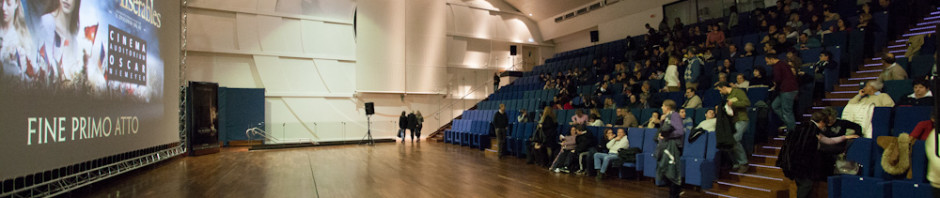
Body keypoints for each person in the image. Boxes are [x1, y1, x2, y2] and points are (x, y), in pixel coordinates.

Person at [717, 82, 751, 173]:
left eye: (720, 90)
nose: (720, 92)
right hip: (733, 122)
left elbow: (747, 102)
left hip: (741, 119)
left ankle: (744, 163)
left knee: (735, 139)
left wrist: (733, 104)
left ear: (724, 87)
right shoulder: (728, 97)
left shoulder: (738, 92)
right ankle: (736, 162)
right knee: (729, 141)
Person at [656, 99, 685, 198]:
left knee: (671, 171)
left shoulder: (675, 115)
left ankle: (676, 193)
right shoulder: (667, 117)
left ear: (667, 107)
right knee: (664, 170)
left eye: (663, 106)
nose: (661, 108)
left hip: (673, 147)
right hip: (666, 146)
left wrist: (667, 136)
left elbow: (680, 131)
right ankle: (676, 191)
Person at [769, 53, 798, 134]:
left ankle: (792, 132)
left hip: (787, 90)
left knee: (787, 111)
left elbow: (778, 79)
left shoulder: (777, 66)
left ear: (772, 59)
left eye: (767, 61)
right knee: (775, 106)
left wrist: (775, 85)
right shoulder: (783, 64)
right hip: (786, 90)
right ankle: (789, 123)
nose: (766, 63)